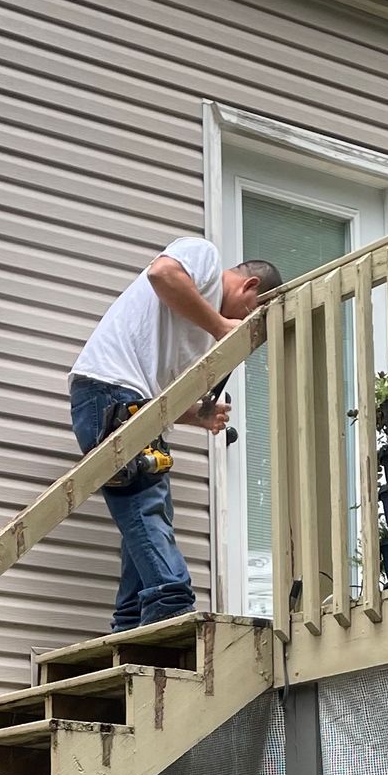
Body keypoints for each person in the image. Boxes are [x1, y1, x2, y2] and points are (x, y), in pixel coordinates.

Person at [70, 240, 282, 628]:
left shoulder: (198, 332)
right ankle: (171, 603)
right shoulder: (204, 255)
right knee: (144, 500)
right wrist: (221, 326)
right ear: (249, 286)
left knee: (147, 508)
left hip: (126, 400)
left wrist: (195, 416)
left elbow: (158, 387)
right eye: (251, 315)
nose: (243, 325)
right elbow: (162, 274)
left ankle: (130, 621)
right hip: (109, 392)